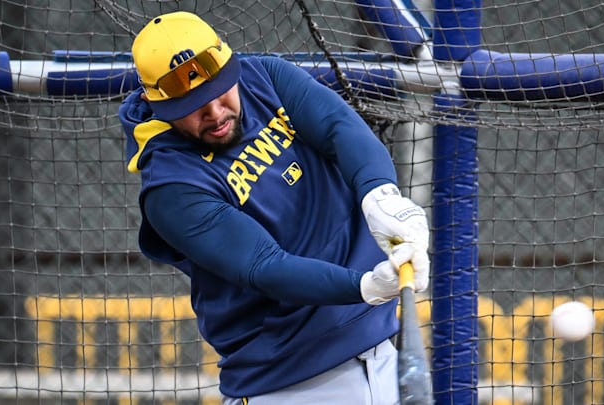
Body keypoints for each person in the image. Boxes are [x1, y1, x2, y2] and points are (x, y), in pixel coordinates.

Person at [119, 11, 430, 405]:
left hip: (379, 350)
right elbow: (265, 266)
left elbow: (340, 127)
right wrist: (365, 286)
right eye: (192, 105)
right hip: (286, 383)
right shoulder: (170, 186)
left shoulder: (262, 77)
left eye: (218, 92)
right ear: (156, 103)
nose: (214, 112)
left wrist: (380, 197)